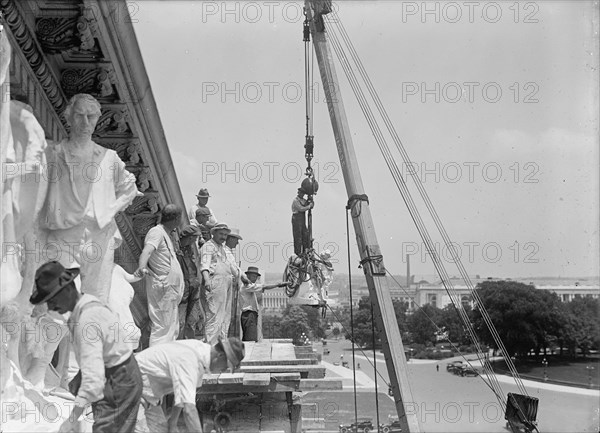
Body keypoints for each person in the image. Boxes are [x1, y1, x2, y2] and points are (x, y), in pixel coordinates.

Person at [41, 93, 140, 303]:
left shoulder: (109, 157)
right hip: (64, 235)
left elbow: (130, 188)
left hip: (99, 237)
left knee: (95, 302)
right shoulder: (54, 153)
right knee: (59, 296)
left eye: (91, 116)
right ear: (69, 117)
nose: (85, 122)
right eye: (79, 115)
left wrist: (112, 209)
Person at [29, 261, 142, 433]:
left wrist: (71, 420)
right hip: (121, 373)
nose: (50, 307)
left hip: (118, 381)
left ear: (67, 289)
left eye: (52, 299)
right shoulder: (87, 302)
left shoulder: (86, 321)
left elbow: (93, 381)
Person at [135, 337, 245, 433]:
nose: (223, 370)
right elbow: (189, 410)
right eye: (226, 366)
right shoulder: (190, 360)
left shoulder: (200, 353)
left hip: (148, 396)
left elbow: (182, 398)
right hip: (130, 388)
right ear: (220, 355)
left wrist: (172, 425)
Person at [137, 205, 185, 346]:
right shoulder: (156, 232)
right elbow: (147, 251)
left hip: (169, 290)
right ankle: (156, 360)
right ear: (176, 219)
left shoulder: (165, 233)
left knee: (170, 327)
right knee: (162, 328)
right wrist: (142, 267)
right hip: (163, 287)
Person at [199, 222, 236, 344]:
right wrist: (207, 280)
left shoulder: (223, 248)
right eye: (221, 234)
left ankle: (221, 344)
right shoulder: (208, 246)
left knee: (225, 315)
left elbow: (230, 266)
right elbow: (205, 265)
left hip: (226, 283)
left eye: (225, 235)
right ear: (213, 233)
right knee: (214, 315)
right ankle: (211, 345)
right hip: (215, 282)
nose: (223, 237)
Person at [239, 267, 288, 342]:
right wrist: (279, 284)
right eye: (253, 276)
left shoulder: (248, 286)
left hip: (249, 315)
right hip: (249, 315)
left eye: (256, 277)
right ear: (248, 276)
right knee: (251, 340)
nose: (255, 279)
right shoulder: (247, 286)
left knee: (247, 340)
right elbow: (264, 286)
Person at [176, 224, 204, 340]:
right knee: (180, 320)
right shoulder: (176, 249)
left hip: (193, 287)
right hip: (183, 288)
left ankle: (189, 344)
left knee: (192, 319)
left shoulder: (190, 249)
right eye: (194, 237)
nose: (194, 240)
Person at [291, 188, 314, 256]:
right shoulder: (296, 201)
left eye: (303, 193)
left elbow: (309, 205)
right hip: (296, 219)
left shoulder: (303, 200)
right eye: (301, 193)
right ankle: (298, 252)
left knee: (305, 235)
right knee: (298, 236)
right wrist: (309, 206)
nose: (302, 194)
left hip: (302, 220)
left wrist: (311, 201)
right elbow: (301, 209)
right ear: (298, 193)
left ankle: (305, 250)